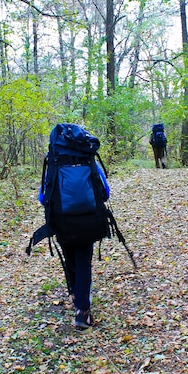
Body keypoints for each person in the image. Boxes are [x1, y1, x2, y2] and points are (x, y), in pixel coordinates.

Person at [36, 132, 110, 331]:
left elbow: (43, 197)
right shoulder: (88, 159)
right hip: (88, 219)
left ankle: (75, 294)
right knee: (84, 260)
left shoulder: (54, 160)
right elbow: (105, 192)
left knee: (70, 258)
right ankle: (82, 311)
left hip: (62, 220)